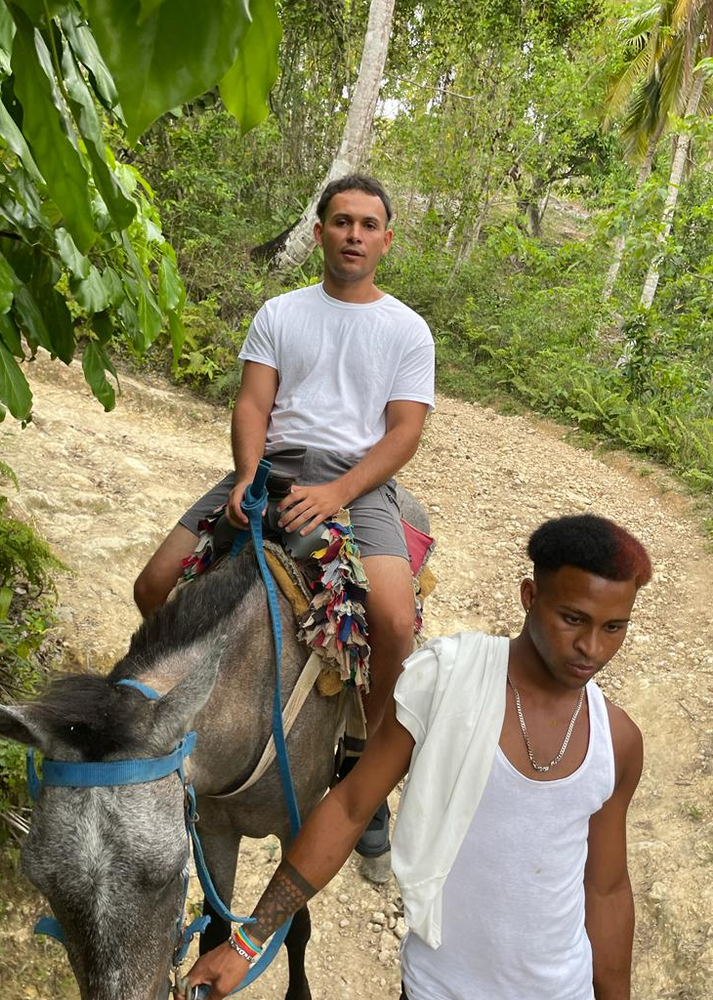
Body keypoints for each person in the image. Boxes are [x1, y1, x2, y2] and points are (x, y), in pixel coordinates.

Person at [178, 513, 651, 1000]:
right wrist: (248, 943)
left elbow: (607, 889)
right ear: (530, 596)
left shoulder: (616, 741)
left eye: (614, 627)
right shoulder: (446, 681)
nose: (591, 648)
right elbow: (349, 807)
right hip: (437, 990)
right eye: (573, 619)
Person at [134, 174, 435, 739]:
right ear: (319, 232)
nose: (354, 235)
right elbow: (252, 403)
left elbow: (403, 434)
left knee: (394, 621)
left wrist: (335, 494)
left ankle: (362, 757)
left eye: (369, 225)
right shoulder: (280, 313)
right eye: (342, 222)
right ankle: (163, 717)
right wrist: (247, 477)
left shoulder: (409, 331)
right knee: (152, 586)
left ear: (386, 241)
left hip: (357, 483)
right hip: (271, 468)